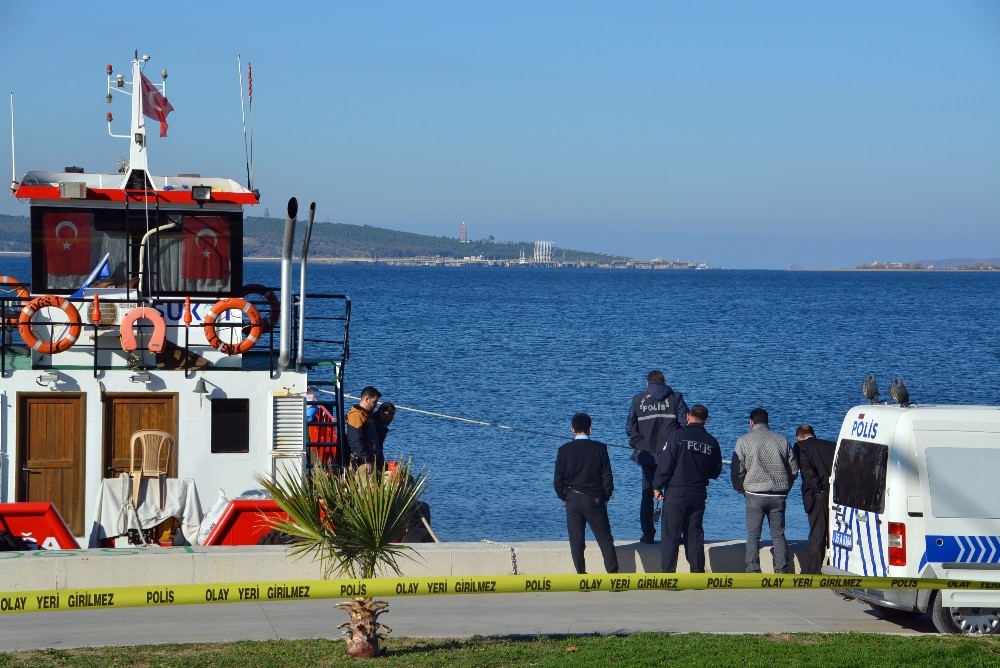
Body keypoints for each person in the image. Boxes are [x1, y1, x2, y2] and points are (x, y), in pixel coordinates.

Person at [652, 404, 722, 572]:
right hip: (698, 493)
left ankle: (668, 575)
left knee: (671, 535)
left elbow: (666, 464)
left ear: (688, 416)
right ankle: (697, 572)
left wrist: (657, 486)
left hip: (676, 492)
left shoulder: (677, 436)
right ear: (706, 420)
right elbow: (715, 472)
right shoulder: (711, 442)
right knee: (694, 534)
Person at [731, 407, 799, 573]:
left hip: (754, 494)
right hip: (778, 494)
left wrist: (741, 489)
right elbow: (794, 469)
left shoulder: (744, 440)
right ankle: (781, 569)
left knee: (753, 535)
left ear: (751, 422)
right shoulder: (782, 440)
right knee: (778, 535)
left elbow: (736, 469)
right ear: (767, 422)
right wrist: (786, 487)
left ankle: (753, 568)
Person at [625, 370, 689, 544]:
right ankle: (673, 535)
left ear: (648, 383)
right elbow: (685, 425)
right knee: (672, 495)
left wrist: (641, 445)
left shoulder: (638, 400)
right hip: (671, 456)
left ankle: (648, 535)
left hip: (647, 456)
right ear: (664, 382)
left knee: (647, 495)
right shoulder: (676, 398)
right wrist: (674, 446)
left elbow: (630, 429)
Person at [553, 413, 618, 575]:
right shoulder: (600, 449)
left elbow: (558, 480)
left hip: (572, 499)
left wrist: (564, 497)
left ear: (572, 429)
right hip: (594, 499)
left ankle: (581, 575)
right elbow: (607, 478)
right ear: (590, 428)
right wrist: (605, 497)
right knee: (605, 539)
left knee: (576, 541)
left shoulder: (563, 450)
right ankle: (612, 574)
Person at [793, 424, 836, 574]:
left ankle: (814, 570)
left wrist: (817, 489)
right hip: (834, 494)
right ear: (813, 434)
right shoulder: (831, 445)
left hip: (818, 495)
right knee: (834, 532)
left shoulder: (801, 447)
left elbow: (807, 471)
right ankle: (833, 564)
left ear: (798, 437)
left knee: (817, 533)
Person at [346, 386, 381, 471]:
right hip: (362, 463)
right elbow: (355, 440)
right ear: (367, 399)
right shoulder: (356, 415)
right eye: (374, 402)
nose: (375, 405)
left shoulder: (366, 415)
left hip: (371, 461)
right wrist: (366, 460)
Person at [373, 402, 397, 474]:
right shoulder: (376, 425)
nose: (392, 417)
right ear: (381, 412)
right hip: (370, 460)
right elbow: (376, 448)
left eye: (393, 414)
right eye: (389, 413)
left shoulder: (381, 425)